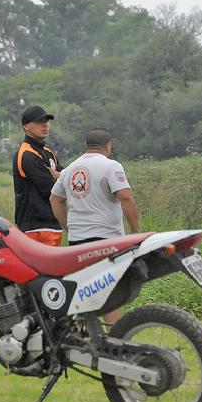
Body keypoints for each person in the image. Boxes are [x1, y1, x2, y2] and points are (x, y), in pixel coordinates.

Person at [49, 128, 140, 326]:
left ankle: (81, 337)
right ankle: (116, 336)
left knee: (83, 292)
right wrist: (136, 232)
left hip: (77, 241)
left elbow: (55, 199)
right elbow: (125, 197)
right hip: (106, 239)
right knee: (110, 290)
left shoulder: (70, 169)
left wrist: (68, 227)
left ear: (86, 146)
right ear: (108, 146)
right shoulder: (111, 166)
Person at [13, 105, 64, 246]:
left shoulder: (48, 151)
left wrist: (59, 175)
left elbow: (66, 176)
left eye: (46, 121)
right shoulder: (27, 154)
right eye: (39, 122)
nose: (45, 125)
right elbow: (51, 189)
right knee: (44, 268)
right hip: (35, 227)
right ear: (26, 126)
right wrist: (62, 177)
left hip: (52, 224)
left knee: (54, 268)